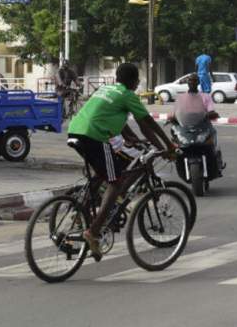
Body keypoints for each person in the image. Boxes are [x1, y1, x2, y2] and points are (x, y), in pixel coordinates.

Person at [66, 63, 177, 260]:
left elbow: (115, 116)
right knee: (116, 182)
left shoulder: (106, 89)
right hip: (95, 137)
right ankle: (94, 231)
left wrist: (129, 137)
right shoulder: (128, 95)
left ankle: (81, 213)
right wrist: (167, 146)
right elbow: (147, 124)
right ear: (134, 81)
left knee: (103, 173)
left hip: (75, 130)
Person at [171, 73, 224, 170]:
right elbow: (176, 111)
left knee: (212, 135)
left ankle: (216, 160)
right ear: (187, 82)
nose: (192, 82)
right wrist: (171, 117)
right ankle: (179, 163)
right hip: (185, 126)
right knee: (175, 140)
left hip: (202, 125)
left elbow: (211, 110)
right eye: (190, 80)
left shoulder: (205, 96)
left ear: (198, 82)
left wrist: (211, 113)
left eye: (195, 80)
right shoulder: (181, 97)